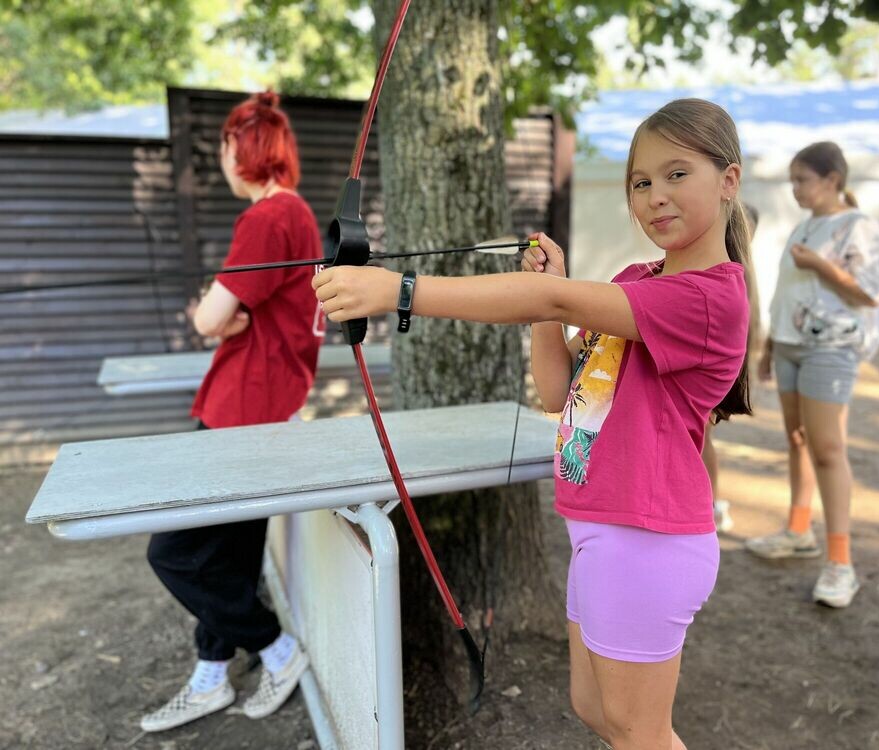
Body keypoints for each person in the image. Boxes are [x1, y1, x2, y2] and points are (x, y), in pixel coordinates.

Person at [313, 98, 753, 750]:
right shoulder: (638, 281)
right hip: (602, 529)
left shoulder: (711, 297)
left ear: (728, 181)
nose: (655, 195)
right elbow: (559, 390)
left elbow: (551, 297)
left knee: (639, 732)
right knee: (595, 708)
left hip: (647, 539)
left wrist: (399, 290)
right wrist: (554, 298)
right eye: (640, 182)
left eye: (676, 174)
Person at [141, 92, 321, 732]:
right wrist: (227, 315)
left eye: (223, 147)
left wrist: (215, 315)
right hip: (264, 405)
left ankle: (276, 648)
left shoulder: (268, 218)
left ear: (240, 150)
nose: (221, 160)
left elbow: (208, 317)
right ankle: (211, 673)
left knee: (174, 552)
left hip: (243, 409)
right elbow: (235, 311)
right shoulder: (295, 214)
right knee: (232, 554)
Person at [746, 141, 879, 608]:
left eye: (802, 179)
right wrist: (771, 346)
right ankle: (798, 531)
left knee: (828, 449)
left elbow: (870, 293)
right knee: (797, 440)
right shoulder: (805, 225)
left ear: (832, 180)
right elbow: (789, 292)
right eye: (792, 180)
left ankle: (840, 563)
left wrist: (820, 265)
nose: (795, 189)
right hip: (790, 347)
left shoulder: (859, 226)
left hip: (830, 349)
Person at [704, 203, 758, 532]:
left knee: (702, 436)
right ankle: (711, 502)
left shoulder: (733, 276)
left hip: (714, 372)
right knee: (702, 437)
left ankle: (712, 503)